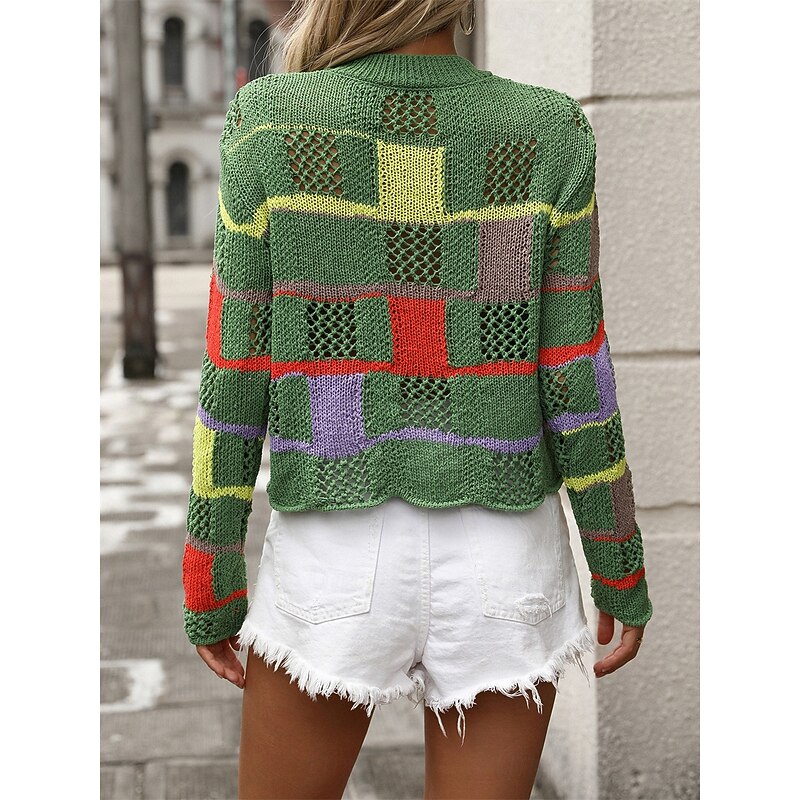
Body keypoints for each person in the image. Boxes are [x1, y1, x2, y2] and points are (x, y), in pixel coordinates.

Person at [180, 1, 653, 797]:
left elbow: (235, 373)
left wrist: (209, 573)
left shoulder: (270, 123)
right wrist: (617, 559)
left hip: (335, 551)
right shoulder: (547, 131)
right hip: (506, 556)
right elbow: (577, 376)